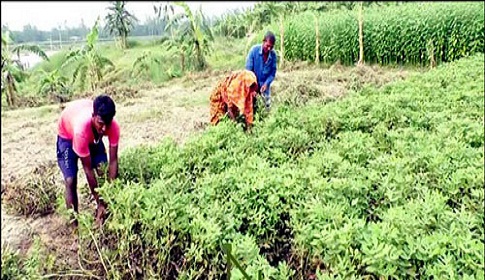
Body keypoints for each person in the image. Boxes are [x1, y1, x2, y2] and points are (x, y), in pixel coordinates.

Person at [56, 94, 119, 227]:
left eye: (107, 125)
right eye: (101, 124)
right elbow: (88, 169)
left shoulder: (112, 126)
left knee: (103, 168)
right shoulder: (81, 131)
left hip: (88, 133)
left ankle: (103, 213)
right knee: (70, 180)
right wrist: (99, 202)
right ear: (93, 116)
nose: (104, 129)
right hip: (67, 135)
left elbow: (113, 161)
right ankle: (74, 228)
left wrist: (110, 195)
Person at [245, 31, 277, 113]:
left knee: (266, 108)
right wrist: (252, 88)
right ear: (263, 42)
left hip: (264, 86)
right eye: (267, 46)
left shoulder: (273, 55)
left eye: (271, 47)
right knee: (252, 108)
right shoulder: (253, 51)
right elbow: (248, 72)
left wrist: (266, 84)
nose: (269, 49)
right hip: (253, 84)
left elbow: (272, 73)